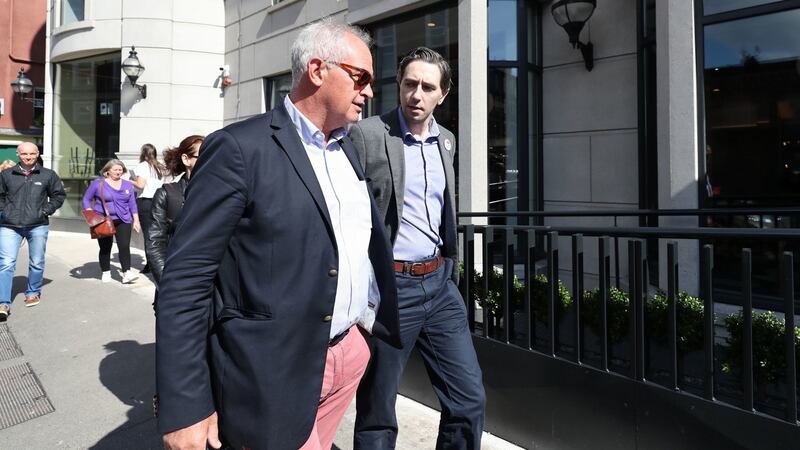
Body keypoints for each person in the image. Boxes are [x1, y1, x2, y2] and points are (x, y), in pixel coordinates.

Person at [155, 19, 401, 450]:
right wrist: (186, 405)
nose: (369, 90)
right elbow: (187, 279)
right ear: (318, 70)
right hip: (272, 375)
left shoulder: (348, 150)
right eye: (360, 77)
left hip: (348, 357)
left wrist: (361, 335)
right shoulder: (239, 148)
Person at [350, 47, 486, 449]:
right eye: (410, 84)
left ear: (443, 95)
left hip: (439, 284)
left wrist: (449, 270)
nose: (416, 95)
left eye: (428, 87)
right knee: (378, 409)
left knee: (468, 399)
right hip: (393, 288)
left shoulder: (447, 141)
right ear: (399, 85)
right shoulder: (368, 134)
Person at [0, 143, 66, 321]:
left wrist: (45, 211)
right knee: (6, 263)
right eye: (24, 154)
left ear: (38, 154)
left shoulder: (48, 175)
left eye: (32, 153)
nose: (28, 157)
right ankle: (3, 302)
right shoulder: (7, 174)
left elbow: (59, 195)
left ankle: (33, 291)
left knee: (36, 261)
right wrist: (5, 211)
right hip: (9, 225)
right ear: (17, 154)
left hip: (38, 224)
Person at [145, 135, 204, 285]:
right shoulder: (167, 194)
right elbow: (155, 242)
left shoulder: (222, 192)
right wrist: (167, 284)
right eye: (202, 156)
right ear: (186, 159)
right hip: (178, 281)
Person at [82, 159, 141, 284]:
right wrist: (90, 213)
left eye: (120, 170)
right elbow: (86, 199)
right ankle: (106, 271)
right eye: (115, 169)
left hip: (124, 219)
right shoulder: (98, 184)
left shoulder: (127, 185)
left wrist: (136, 220)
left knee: (124, 246)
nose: (118, 172)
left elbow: (132, 204)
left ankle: (126, 273)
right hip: (103, 220)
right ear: (108, 171)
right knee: (105, 247)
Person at [130, 143, 165, 275]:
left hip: (146, 202)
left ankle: (150, 264)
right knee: (159, 232)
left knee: (148, 235)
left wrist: (129, 180)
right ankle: (159, 260)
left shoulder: (142, 166)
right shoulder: (159, 166)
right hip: (159, 201)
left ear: (143, 153)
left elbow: (140, 185)